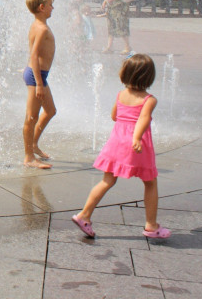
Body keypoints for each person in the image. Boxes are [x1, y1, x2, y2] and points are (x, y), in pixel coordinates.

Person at [72, 54, 170, 240]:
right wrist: (137, 137)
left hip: (116, 142)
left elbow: (114, 116)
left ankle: (84, 215)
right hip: (135, 144)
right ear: (149, 77)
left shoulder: (121, 95)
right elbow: (143, 118)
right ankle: (151, 225)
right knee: (150, 182)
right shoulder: (149, 100)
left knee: (107, 181)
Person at [23, 0, 56, 170]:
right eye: (51, 5)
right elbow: (34, 55)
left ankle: (34, 144)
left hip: (39, 75)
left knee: (50, 111)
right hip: (36, 77)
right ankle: (28, 157)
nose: (53, 8)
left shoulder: (39, 25)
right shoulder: (41, 28)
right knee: (31, 117)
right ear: (42, 7)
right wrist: (39, 84)